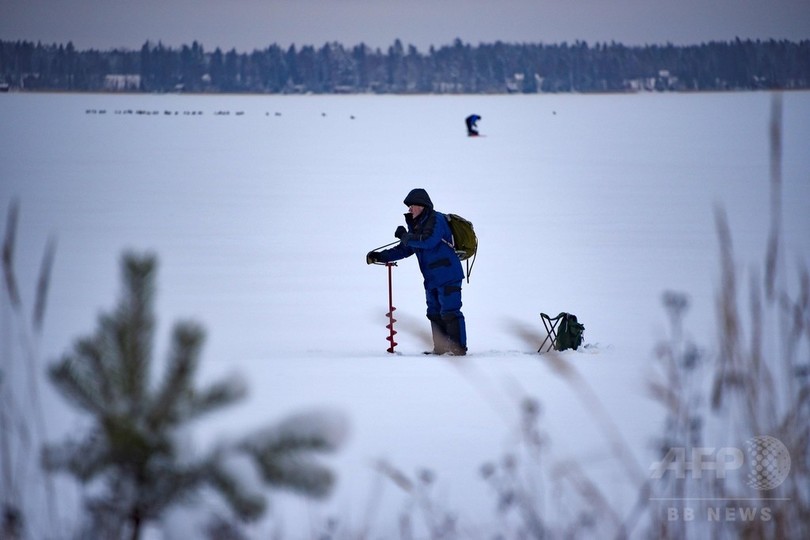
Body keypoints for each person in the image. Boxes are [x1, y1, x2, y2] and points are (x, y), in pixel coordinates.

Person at [367, 188, 467, 355]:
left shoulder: (437, 219)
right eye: (409, 207)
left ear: (423, 206)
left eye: (412, 206)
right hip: (432, 278)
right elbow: (405, 249)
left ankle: (458, 350)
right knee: (434, 313)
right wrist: (380, 256)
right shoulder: (416, 226)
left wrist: (406, 236)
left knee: (450, 311)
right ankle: (441, 349)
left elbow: (429, 242)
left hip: (448, 274)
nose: (410, 209)